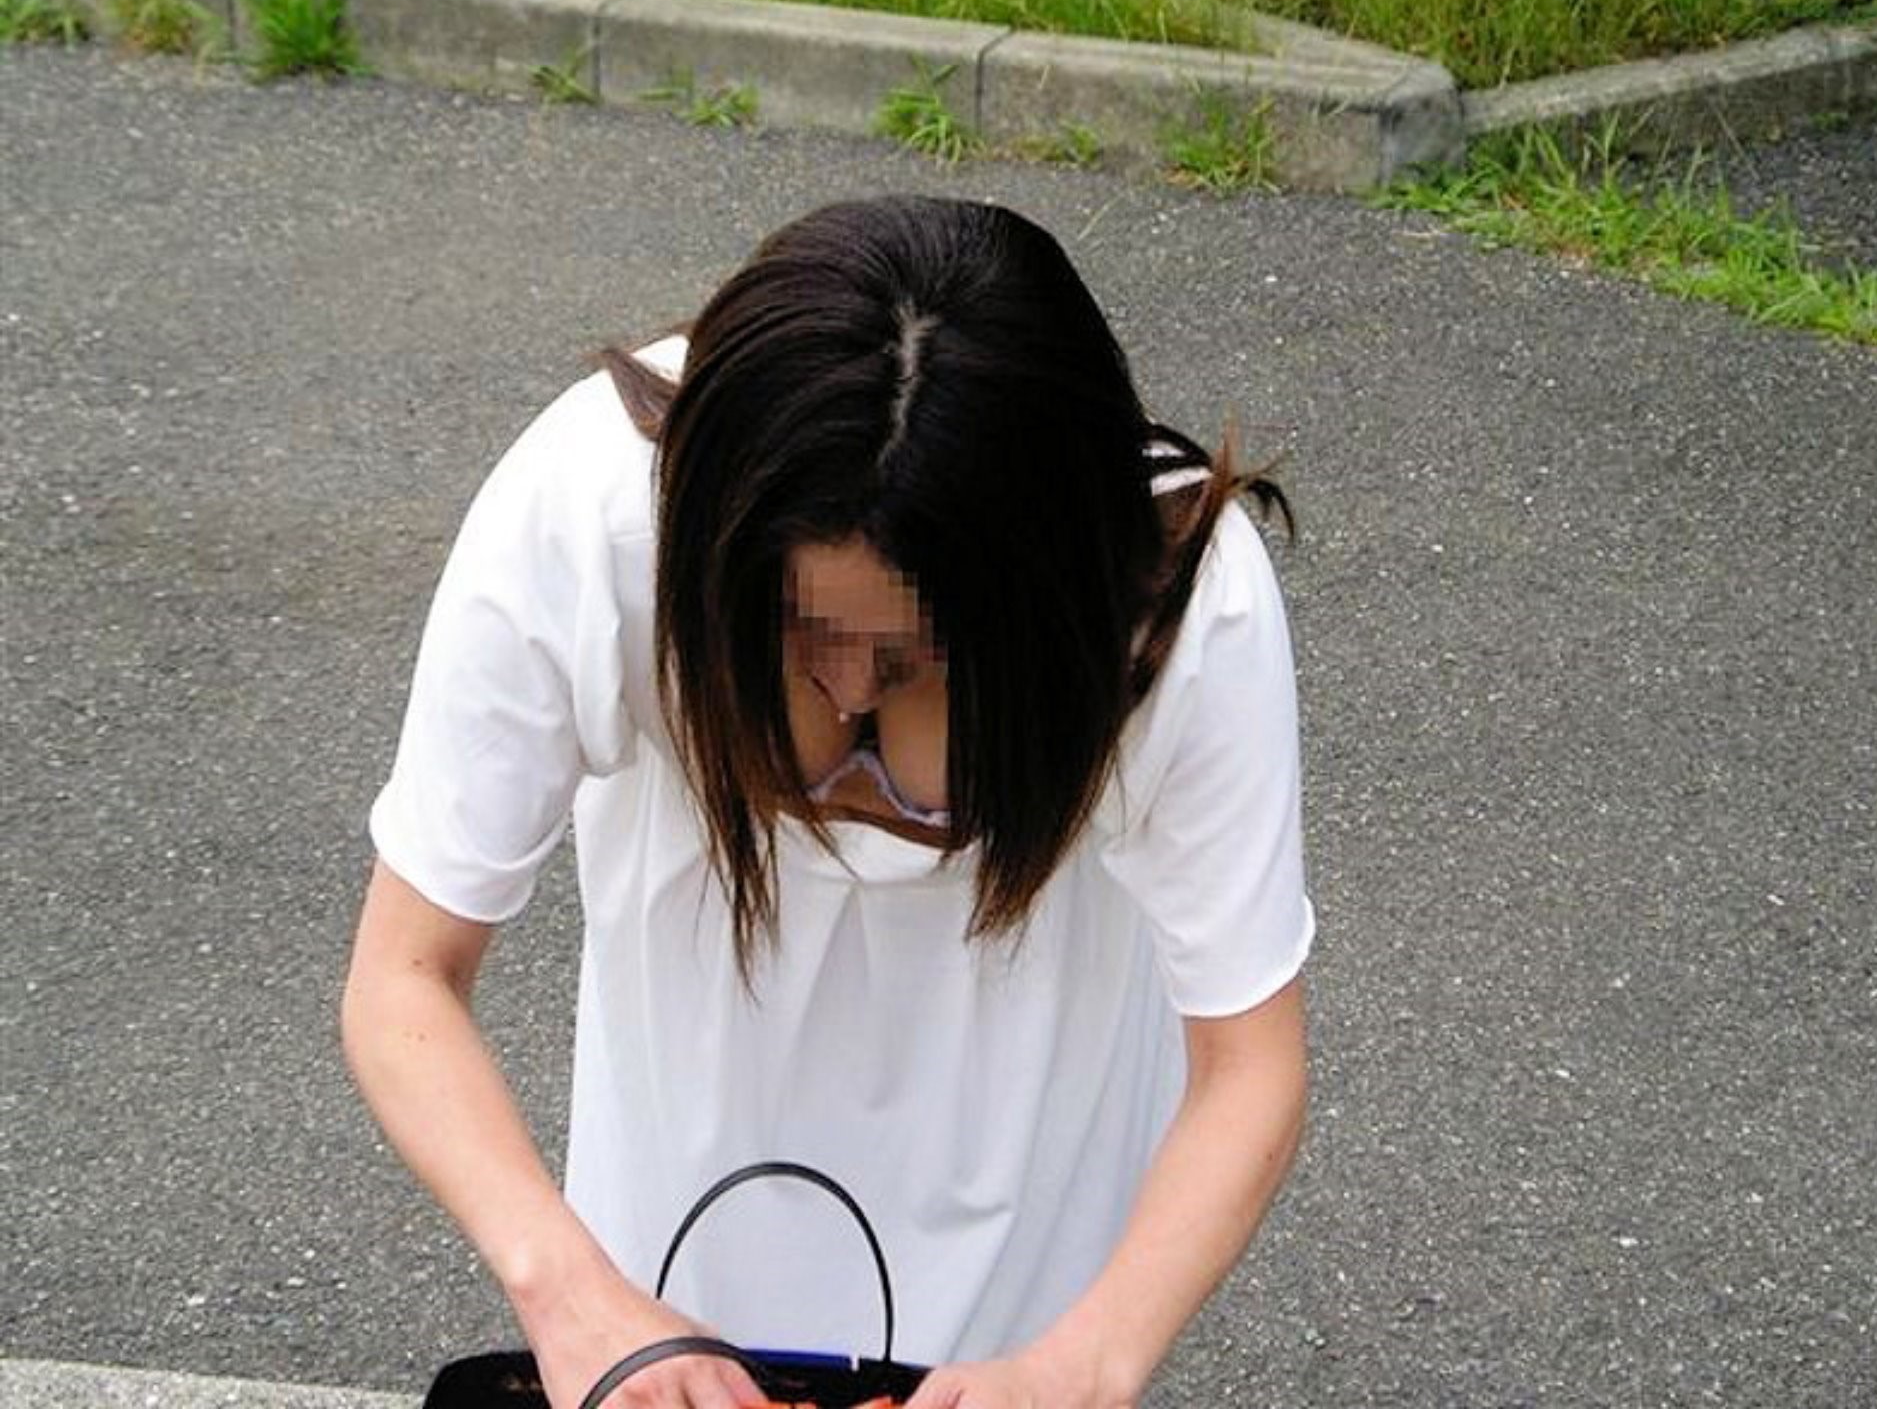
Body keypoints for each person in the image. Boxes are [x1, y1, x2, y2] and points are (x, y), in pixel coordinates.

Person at [342, 195, 1313, 1409]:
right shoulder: (593, 509)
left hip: (1032, 1197)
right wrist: (571, 1294)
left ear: (1043, 615)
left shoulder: (1172, 609)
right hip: (670, 1187)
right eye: (803, 637)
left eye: (909, 662)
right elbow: (404, 974)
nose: (850, 688)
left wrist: (1085, 1362)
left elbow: (1249, 1062)